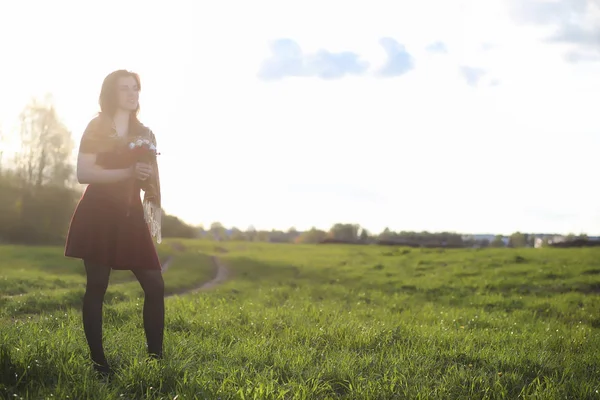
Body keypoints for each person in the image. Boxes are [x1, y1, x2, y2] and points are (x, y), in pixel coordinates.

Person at [64, 69, 164, 376]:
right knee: (97, 286)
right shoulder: (97, 126)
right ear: (111, 93)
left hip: (132, 215)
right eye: (125, 89)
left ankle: (155, 360)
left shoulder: (145, 132)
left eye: (136, 88)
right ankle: (99, 364)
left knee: (155, 285)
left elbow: (151, 180)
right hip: (98, 213)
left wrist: (146, 181)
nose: (133, 94)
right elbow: (84, 173)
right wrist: (127, 173)